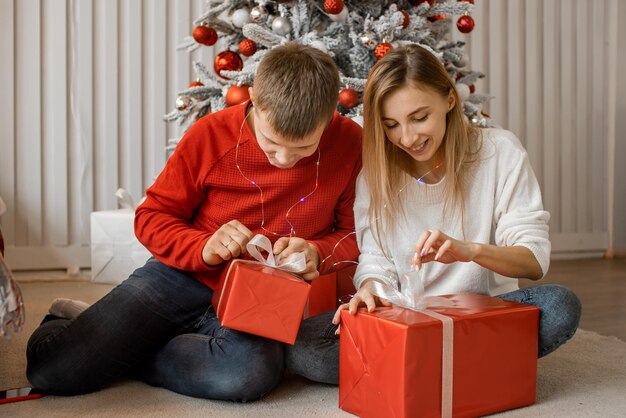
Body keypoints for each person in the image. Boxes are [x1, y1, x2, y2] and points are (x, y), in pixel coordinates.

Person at [26, 42, 362, 401]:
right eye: (271, 143)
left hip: (263, 296)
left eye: (302, 150)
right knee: (53, 371)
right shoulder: (210, 134)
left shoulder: (350, 143)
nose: (284, 160)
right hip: (180, 277)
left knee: (247, 375)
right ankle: (79, 325)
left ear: (330, 116)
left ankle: (134, 350)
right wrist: (204, 246)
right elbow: (152, 217)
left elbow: (355, 234)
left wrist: (316, 251)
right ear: (252, 99)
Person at [332, 44, 581, 359]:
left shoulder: (500, 152)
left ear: (450, 99)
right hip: (406, 319)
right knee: (307, 348)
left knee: (560, 305)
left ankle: (424, 362)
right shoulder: (376, 174)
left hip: (482, 315)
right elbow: (375, 260)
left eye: (419, 117)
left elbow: (533, 262)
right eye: (391, 125)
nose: (406, 138)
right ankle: (469, 360)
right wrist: (369, 288)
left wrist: (471, 251)